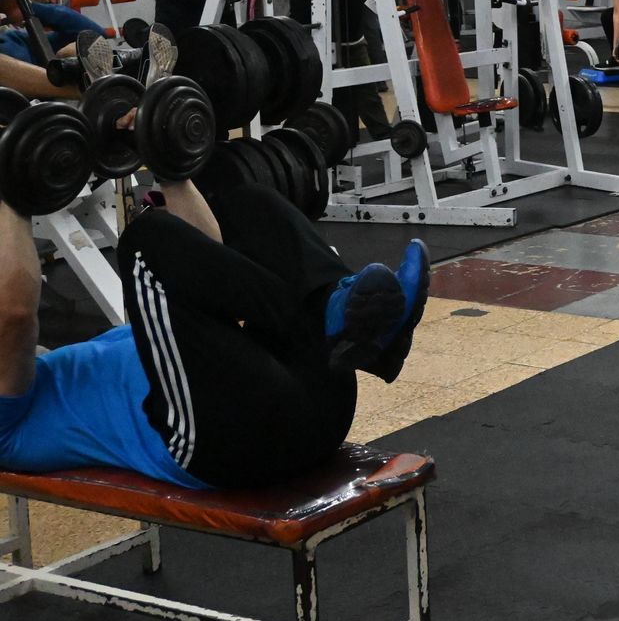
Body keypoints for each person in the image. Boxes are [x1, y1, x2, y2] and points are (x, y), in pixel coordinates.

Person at [0, 172, 430, 490]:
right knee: (145, 241)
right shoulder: (8, 423)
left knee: (245, 202)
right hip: (225, 444)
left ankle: (346, 317)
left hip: (309, 404)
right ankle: (326, 317)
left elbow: (207, 256)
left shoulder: (74, 365)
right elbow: (16, 314)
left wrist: (168, 164)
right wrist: (13, 188)